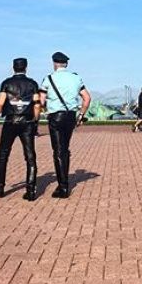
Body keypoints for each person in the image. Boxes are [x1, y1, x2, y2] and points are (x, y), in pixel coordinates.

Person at [39, 52, 91, 198]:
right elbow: (87, 98)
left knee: (58, 150)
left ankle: (63, 187)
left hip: (55, 116)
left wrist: (44, 111)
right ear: (66, 64)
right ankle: (64, 182)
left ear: (54, 63)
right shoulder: (76, 78)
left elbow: (41, 101)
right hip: (70, 116)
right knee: (65, 148)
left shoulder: (48, 79)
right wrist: (81, 115)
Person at [0, 57, 40, 201]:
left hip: (10, 121)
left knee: (3, 154)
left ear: (13, 68)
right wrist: (35, 121)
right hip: (27, 121)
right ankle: (30, 190)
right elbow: (36, 104)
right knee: (30, 156)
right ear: (26, 68)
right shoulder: (32, 84)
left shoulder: (6, 83)